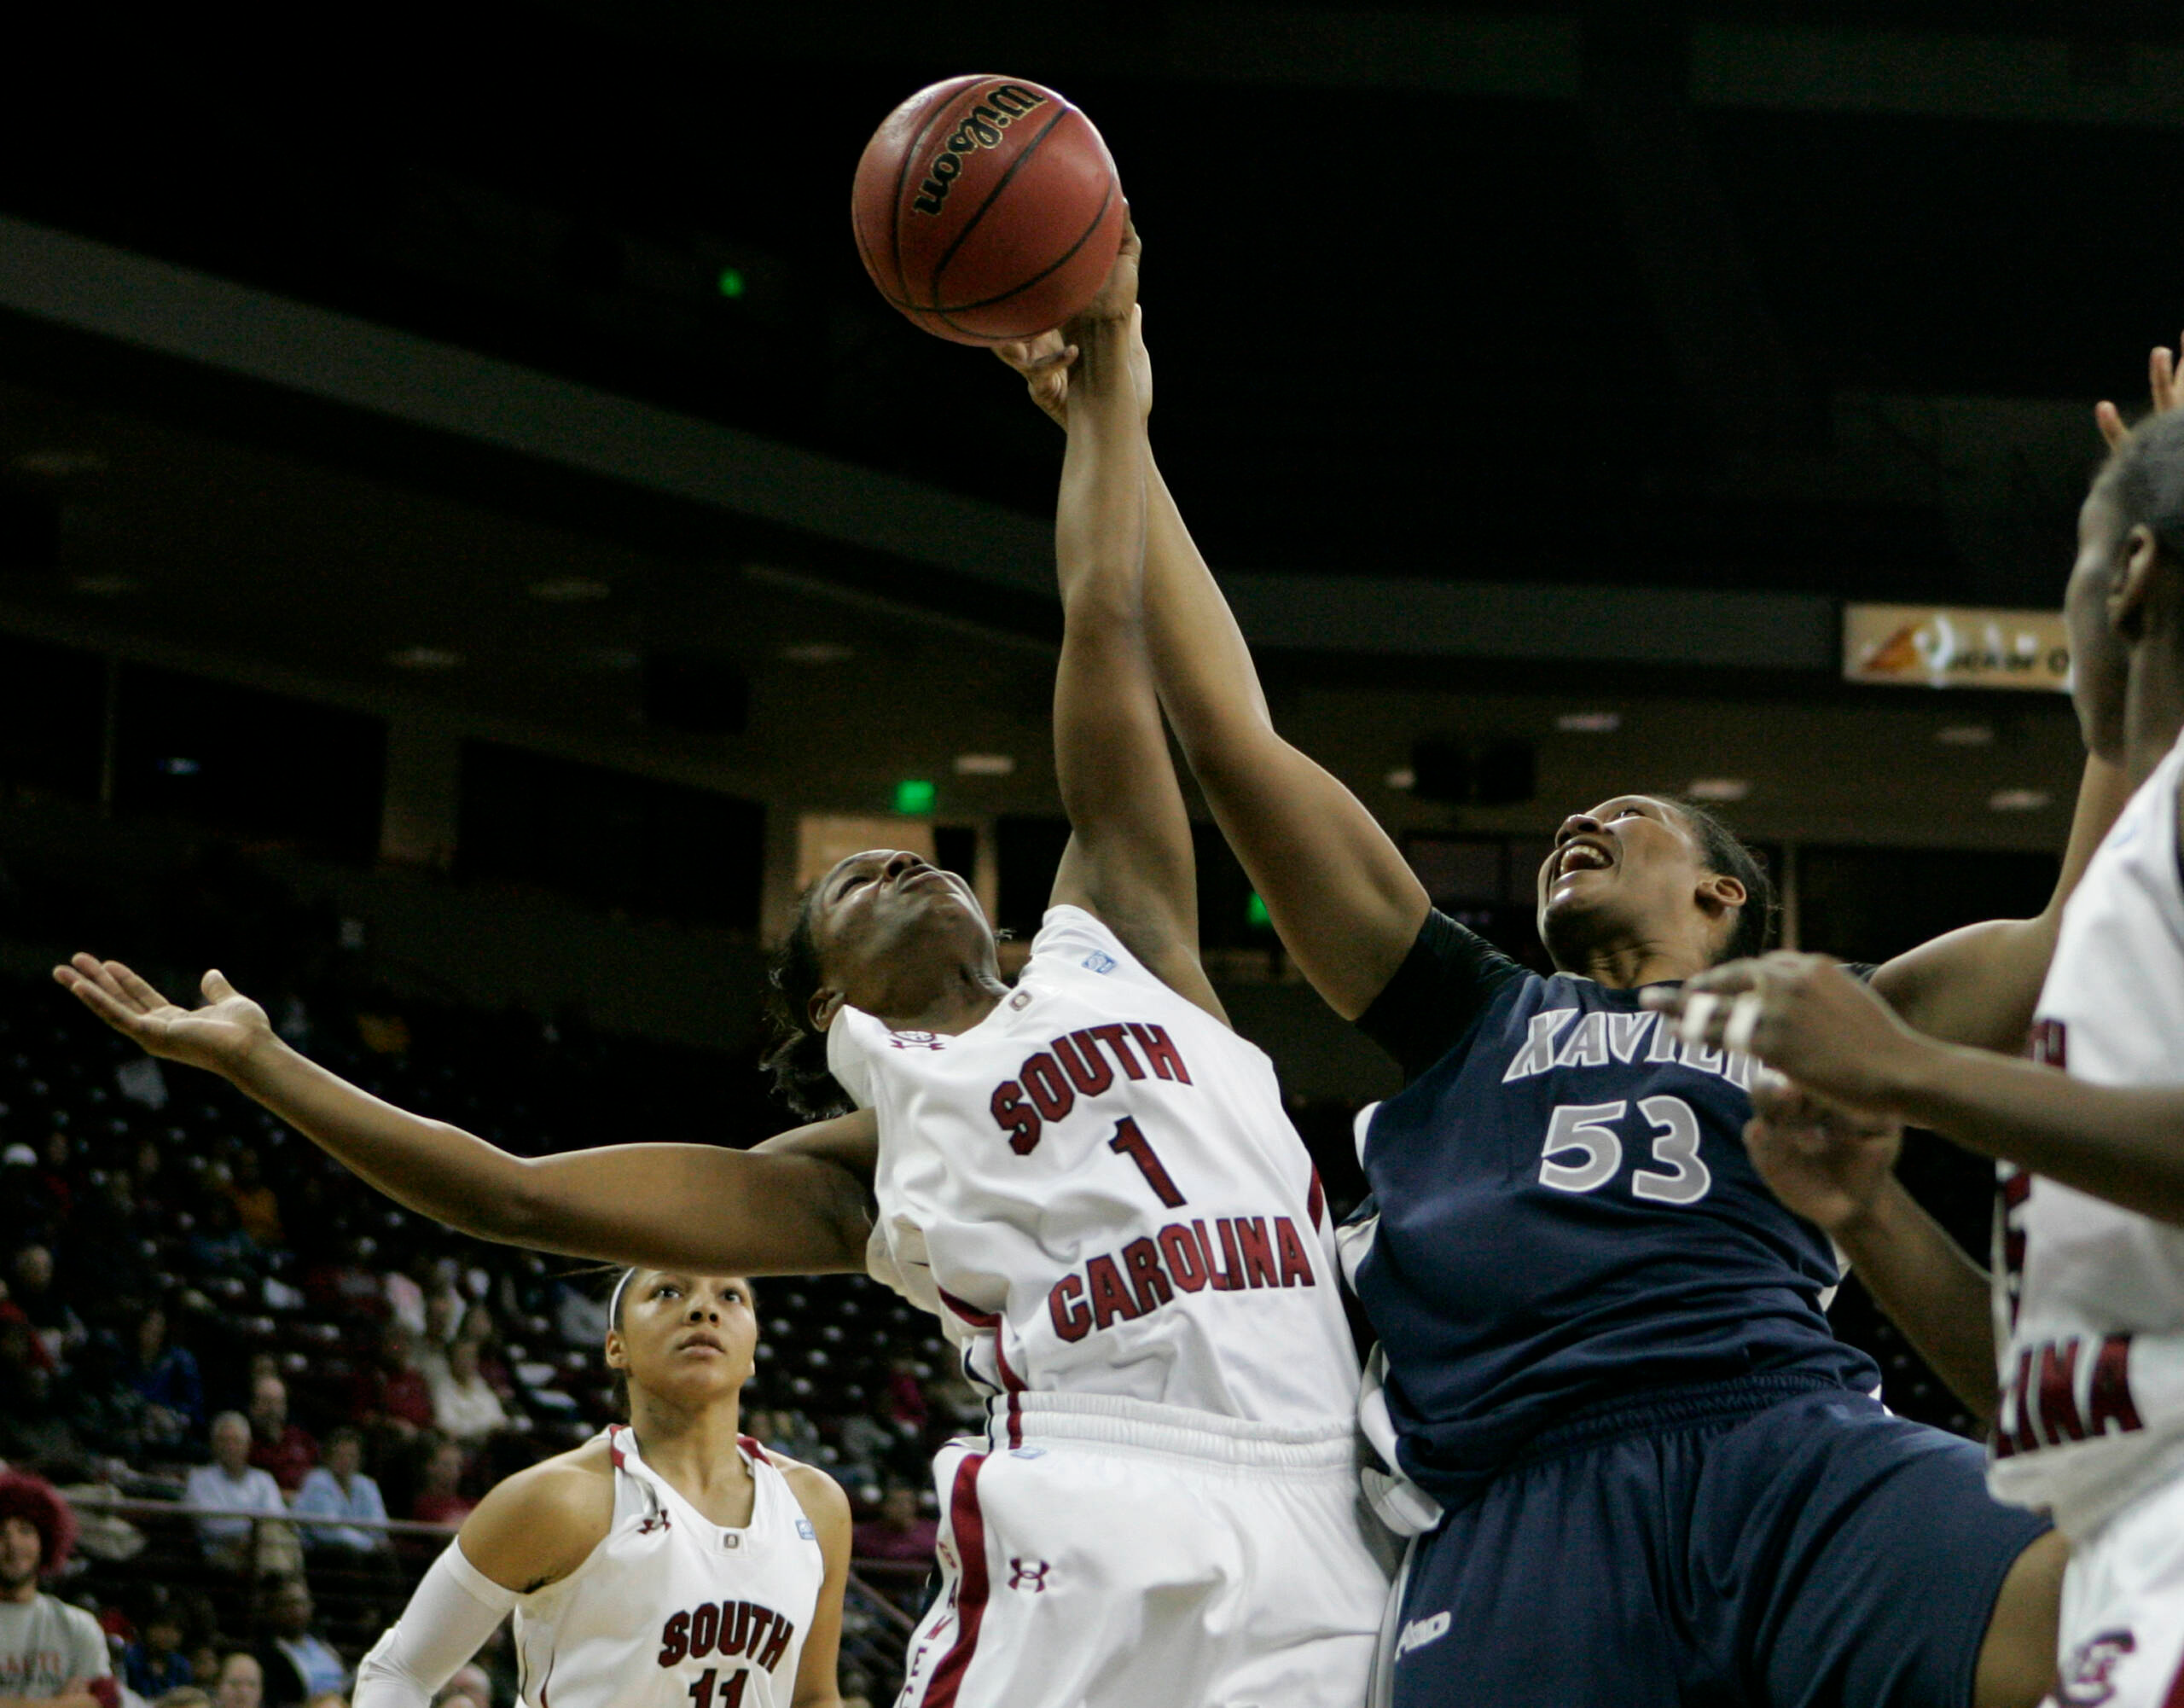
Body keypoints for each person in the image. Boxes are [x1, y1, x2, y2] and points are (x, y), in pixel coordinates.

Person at [56, 232, 1394, 1708]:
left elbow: (1105, 620)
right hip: (1095, 1494)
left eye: (917, 856)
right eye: (846, 882)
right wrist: (259, 1062)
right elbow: (513, 1192)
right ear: (829, 1005)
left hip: (1323, 1489)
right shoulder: (868, 1149)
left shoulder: (1123, 950)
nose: (900, 860)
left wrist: (1109, 407)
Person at [985, 299, 2172, 1708]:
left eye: (1627, 814)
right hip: (1521, 1497)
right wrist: (1116, 441)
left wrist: (2159, 597)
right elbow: (1236, 744)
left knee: (2107, 1600)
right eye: (1575, 820)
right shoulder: (1462, 1007)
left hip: (1784, 1447)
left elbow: (2079, 924)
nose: (1578, 823)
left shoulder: (1826, 1014)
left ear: (1727, 897)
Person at [1651, 377, 2184, 1705]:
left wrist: (1915, 1071)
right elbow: (2056, 1401)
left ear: (2128, 575)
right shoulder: (2142, 864)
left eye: (2071, 562)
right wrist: (1874, 1214)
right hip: (2131, 1555)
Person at [351, 1270, 849, 1708]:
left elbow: (813, 1697)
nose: (703, 1309)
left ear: (754, 1351)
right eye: (669, 1291)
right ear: (617, 1346)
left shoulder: (816, 1505)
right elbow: (400, 1670)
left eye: (731, 1297)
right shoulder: (558, 1499)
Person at [0, 1470, 113, 1707]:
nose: (13, 1545)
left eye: (25, 1531)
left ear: (46, 1540)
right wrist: (61, 1704)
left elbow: (104, 1700)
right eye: (1, 1534)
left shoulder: (77, 1624)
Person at [184, 1415, 292, 1572]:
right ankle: (281, 1582)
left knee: (276, 1537)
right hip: (223, 1552)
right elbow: (212, 1524)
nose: (231, 1447)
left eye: (236, 1441)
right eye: (224, 1441)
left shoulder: (263, 1479)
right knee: (272, 1541)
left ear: (247, 1445)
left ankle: (277, 1580)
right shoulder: (199, 1479)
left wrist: (253, 1534)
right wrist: (253, 1532)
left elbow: (277, 1517)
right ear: (214, 1445)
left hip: (262, 1548)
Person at [293, 1430, 390, 1555]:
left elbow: (378, 1525)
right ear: (328, 1458)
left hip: (361, 1548)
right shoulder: (317, 1481)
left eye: (351, 1456)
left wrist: (375, 1544)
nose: (346, 1461)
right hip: (319, 1548)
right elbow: (328, 1532)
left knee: (386, 1556)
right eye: (340, 1456)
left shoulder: (367, 1484)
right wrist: (369, 1544)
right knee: (351, 1556)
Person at [253, 1578, 346, 1707]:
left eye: (302, 1603)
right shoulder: (268, 1656)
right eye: (289, 1604)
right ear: (275, 1609)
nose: (296, 1610)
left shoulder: (323, 1645)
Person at [425, 1344, 505, 1448]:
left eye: (471, 1357)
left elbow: (498, 1419)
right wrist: (483, 1428)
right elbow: (449, 1426)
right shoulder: (441, 1388)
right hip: (461, 1446)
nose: (467, 1362)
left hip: (490, 1444)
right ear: (452, 1361)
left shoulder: (480, 1384)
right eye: (462, 1357)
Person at [247, 1377, 318, 1495]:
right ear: (253, 1405)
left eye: (278, 1402)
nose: (273, 1409)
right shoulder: (247, 1444)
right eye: (267, 1401)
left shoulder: (301, 1438)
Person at [848, 1485, 933, 1566]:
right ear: (884, 1506)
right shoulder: (863, 1535)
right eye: (895, 1502)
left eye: (907, 1502)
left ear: (915, 1506)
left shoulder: (932, 1533)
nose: (902, 1507)